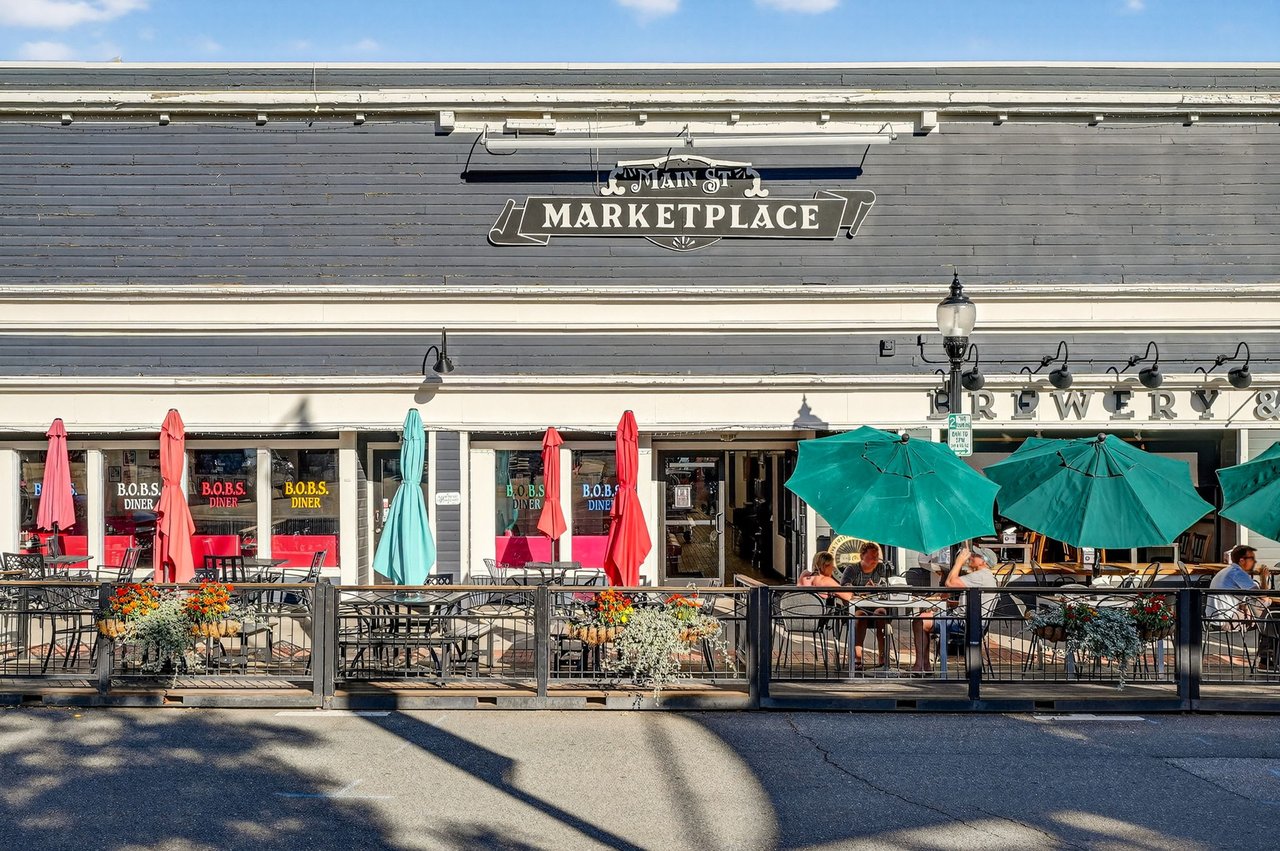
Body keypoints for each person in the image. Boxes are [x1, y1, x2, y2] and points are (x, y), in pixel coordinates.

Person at [910, 545, 998, 673]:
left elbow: (950, 583)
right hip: (971, 619)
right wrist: (950, 603)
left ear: (984, 561)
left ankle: (920, 666)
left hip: (967, 622)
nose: (971, 556)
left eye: (975, 555)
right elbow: (971, 601)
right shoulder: (984, 576)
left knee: (919, 621)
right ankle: (925, 665)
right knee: (924, 617)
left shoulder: (980, 576)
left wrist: (959, 562)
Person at [839, 542, 891, 669]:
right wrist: (862, 590)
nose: (875, 559)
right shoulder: (852, 569)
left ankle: (883, 656)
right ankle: (857, 657)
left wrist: (878, 588)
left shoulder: (881, 569)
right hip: (856, 608)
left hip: (876, 605)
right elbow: (845, 587)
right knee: (860, 616)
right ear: (862, 556)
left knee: (882, 613)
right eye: (872, 556)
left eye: (877, 556)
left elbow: (887, 586)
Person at [1208, 545, 1271, 625]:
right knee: (1264, 615)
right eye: (1252, 559)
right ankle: (1268, 634)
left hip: (1212, 617)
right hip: (1225, 619)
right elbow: (1262, 597)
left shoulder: (1226, 570)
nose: (1255, 561)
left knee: (1252, 607)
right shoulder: (1238, 573)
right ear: (1242, 561)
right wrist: (1264, 578)